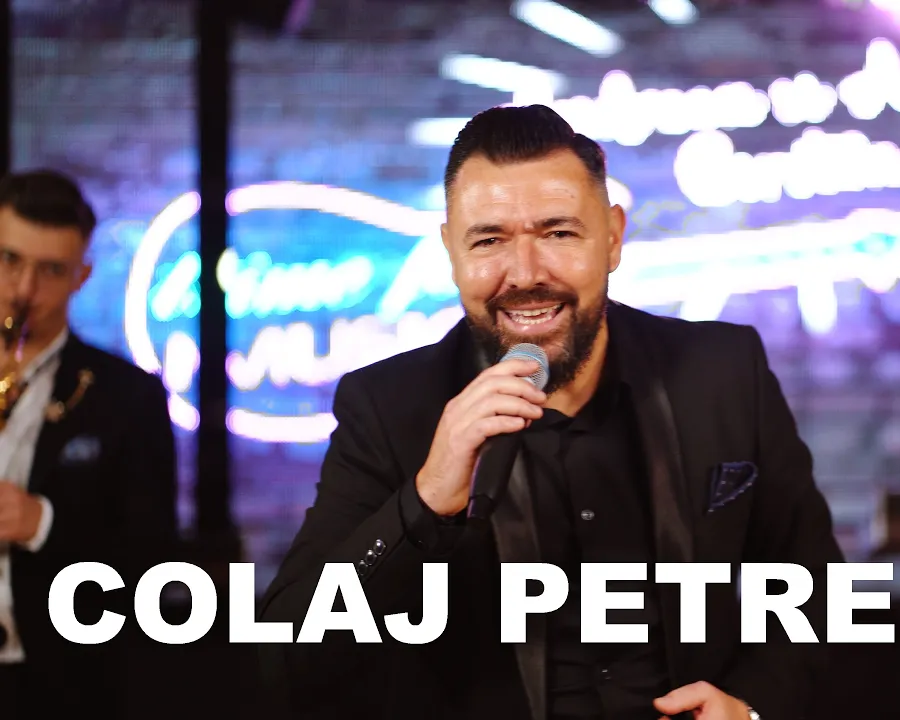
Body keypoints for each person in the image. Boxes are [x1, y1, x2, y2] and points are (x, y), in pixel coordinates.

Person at [260, 105, 842, 720]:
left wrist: (750, 708)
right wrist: (426, 501)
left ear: (612, 237)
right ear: (451, 252)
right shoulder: (388, 405)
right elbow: (288, 664)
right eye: (489, 240)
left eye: (559, 233)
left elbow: (819, 595)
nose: (525, 275)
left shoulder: (723, 371)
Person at [0, 170, 179, 715]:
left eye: (50, 270)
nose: (23, 290)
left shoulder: (128, 397)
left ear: (82, 276)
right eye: (9, 260)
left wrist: (42, 523)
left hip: (55, 684)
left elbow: (153, 563)